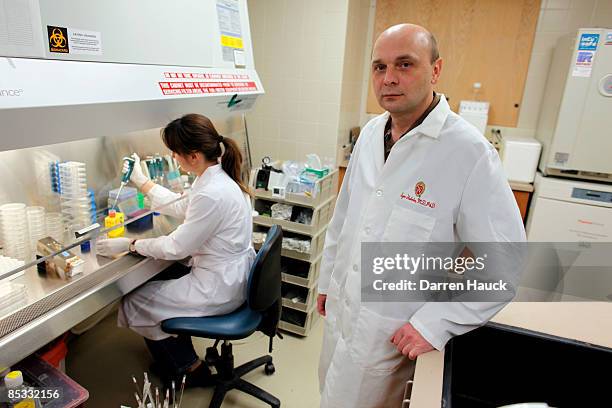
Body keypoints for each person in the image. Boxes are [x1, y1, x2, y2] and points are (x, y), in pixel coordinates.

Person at [316, 24, 526, 407]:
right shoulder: (369, 134)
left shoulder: (469, 153)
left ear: (436, 70)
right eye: (379, 67)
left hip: (389, 340)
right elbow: (343, 219)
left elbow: (505, 263)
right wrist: (327, 280)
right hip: (341, 323)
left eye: (405, 64)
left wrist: (436, 323)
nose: (389, 78)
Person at [96, 113, 255, 385]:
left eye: (175, 152)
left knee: (135, 302)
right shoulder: (217, 179)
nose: (173, 156)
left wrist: (131, 244)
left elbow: (176, 247)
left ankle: (188, 369)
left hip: (220, 286)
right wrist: (142, 182)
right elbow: (182, 205)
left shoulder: (211, 191)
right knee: (161, 284)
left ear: (193, 156)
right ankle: (185, 359)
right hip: (233, 275)